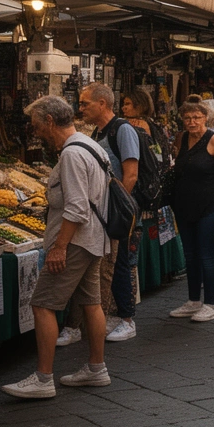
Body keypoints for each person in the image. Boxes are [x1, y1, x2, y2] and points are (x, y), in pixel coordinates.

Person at [2, 96, 112, 398]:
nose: (36, 132)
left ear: (50, 121)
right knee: (91, 303)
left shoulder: (73, 155)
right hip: (93, 239)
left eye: (37, 125)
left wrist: (59, 247)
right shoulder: (91, 146)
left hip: (75, 241)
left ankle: (43, 378)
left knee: (42, 304)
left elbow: (76, 208)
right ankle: (96, 368)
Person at [58, 84, 141, 346]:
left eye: (85, 104)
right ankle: (86, 322)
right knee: (106, 267)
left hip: (115, 213)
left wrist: (117, 210)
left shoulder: (123, 130)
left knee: (120, 265)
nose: (80, 108)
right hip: (103, 212)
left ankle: (128, 319)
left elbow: (131, 173)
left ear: (103, 104)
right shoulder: (98, 132)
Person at [168, 101, 214, 323]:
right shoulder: (182, 139)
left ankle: (210, 303)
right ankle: (193, 301)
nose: (192, 122)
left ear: (205, 118)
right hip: (185, 205)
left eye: (196, 117)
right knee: (190, 255)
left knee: (207, 254)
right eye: (188, 118)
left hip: (210, 205)